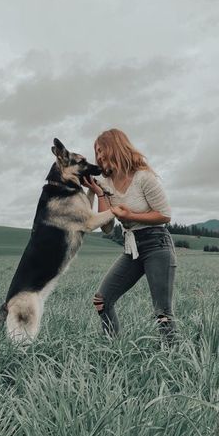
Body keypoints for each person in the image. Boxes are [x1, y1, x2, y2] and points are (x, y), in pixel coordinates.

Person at [83, 128, 177, 341]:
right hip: (131, 247)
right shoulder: (105, 184)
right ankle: (113, 349)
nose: (98, 156)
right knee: (102, 300)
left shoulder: (144, 177)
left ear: (114, 148)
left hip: (156, 244)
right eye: (96, 152)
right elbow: (106, 228)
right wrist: (99, 193)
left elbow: (164, 215)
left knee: (162, 312)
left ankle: (174, 359)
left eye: (101, 150)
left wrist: (131, 215)